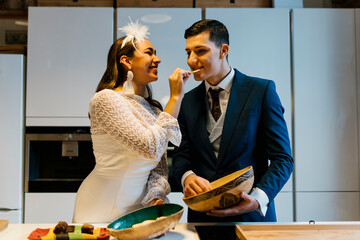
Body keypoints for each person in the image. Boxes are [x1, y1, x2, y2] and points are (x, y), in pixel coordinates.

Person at [172, 19, 294, 222]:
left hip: (251, 219)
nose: (191, 60)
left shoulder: (261, 91)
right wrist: (187, 177)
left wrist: (257, 199)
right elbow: (180, 155)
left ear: (223, 50)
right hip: (202, 220)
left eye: (200, 51)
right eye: (188, 53)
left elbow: (283, 159)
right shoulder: (185, 100)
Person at [73, 21, 191, 223]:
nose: (158, 59)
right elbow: (149, 147)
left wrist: (156, 196)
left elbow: (159, 168)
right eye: (149, 53)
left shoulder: (154, 110)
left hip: (139, 209)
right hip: (101, 205)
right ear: (126, 61)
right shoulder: (106, 99)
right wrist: (175, 98)